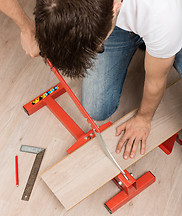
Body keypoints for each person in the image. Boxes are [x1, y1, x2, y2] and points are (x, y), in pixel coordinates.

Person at [1, 0, 182, 160]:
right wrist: (26, 28)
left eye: (97, 47)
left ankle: (160, 46)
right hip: (112, 20)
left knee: (164, 51)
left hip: (166, 20)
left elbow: (156, 80)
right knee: (97, 108)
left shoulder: (162, 13)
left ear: (115, 8)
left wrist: (144, 118)